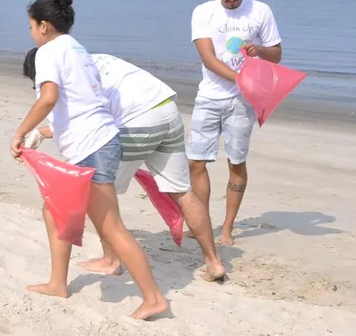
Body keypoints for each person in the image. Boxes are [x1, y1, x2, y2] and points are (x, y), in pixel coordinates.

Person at [10, 0, 168, 320]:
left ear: (43, 26)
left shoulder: (49, 51)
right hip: (97, 143)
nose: (31, 33)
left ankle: (153, 297)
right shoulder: (77, 49)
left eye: (30, 26)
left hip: (93, 148)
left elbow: (48, 98)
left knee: (111, 228)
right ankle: (58, 282)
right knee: (55, 210)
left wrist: (22, 131)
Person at [22, 49, 227, 282]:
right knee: (182, 190)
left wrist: (36, 133)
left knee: (99, 191)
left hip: (137, 122)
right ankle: (213, 261)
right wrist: (41, 132)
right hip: (167, 109)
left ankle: (111, 261)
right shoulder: (93, 59)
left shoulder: (68, 84)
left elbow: (79, 128)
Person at [188, 0, 282, 245]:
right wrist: (240, 78)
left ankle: (227, 228)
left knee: (236, 163)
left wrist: (261, 50)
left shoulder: (260, 10)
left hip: (242, 103)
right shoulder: (203, 12)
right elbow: (208, 58)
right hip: (209, 96)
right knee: (195, 162)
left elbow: (276, 54)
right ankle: (202, 221)